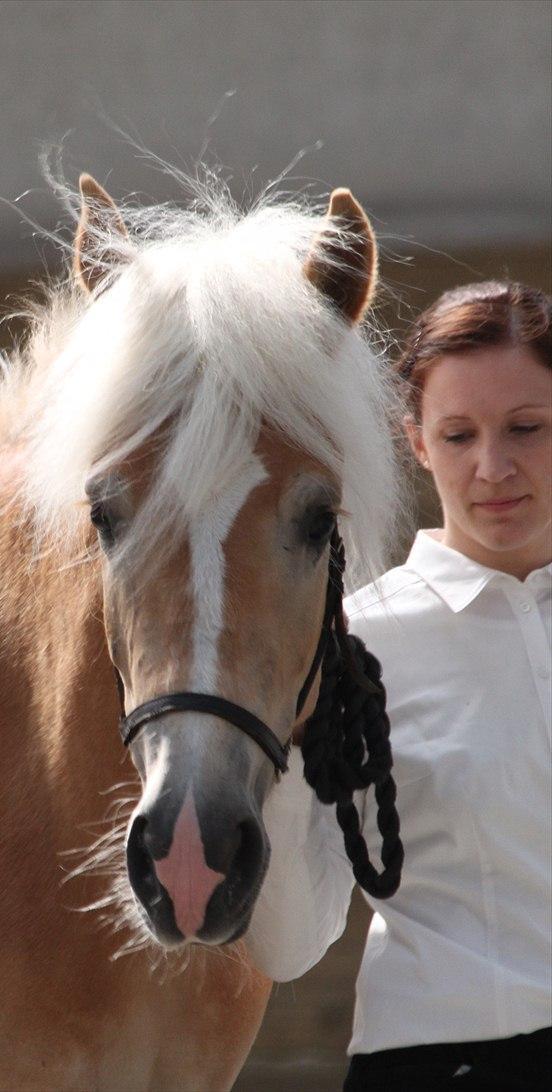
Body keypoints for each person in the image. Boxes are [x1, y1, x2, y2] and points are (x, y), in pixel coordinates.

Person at [245, 280, 552, 1091]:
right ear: (414, 442)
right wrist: (268, 766)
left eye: (526, 428)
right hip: (447, 1063)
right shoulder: (352, 646)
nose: (494, 467)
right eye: (458, 435)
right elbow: (290, 943)